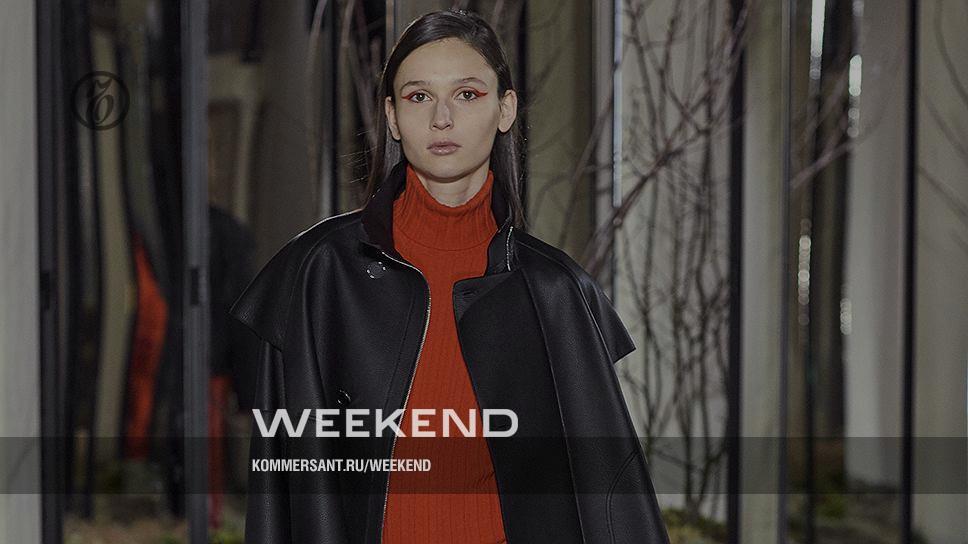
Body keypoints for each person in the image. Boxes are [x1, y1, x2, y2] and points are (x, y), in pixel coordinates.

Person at [230, 9, 670, 544]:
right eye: (419, 96)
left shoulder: (556, 294)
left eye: (467, 94)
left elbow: (606, 501)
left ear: (505, 109)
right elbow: (285, 490)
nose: (442, 118)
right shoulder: (319, 275)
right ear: (392, 117)